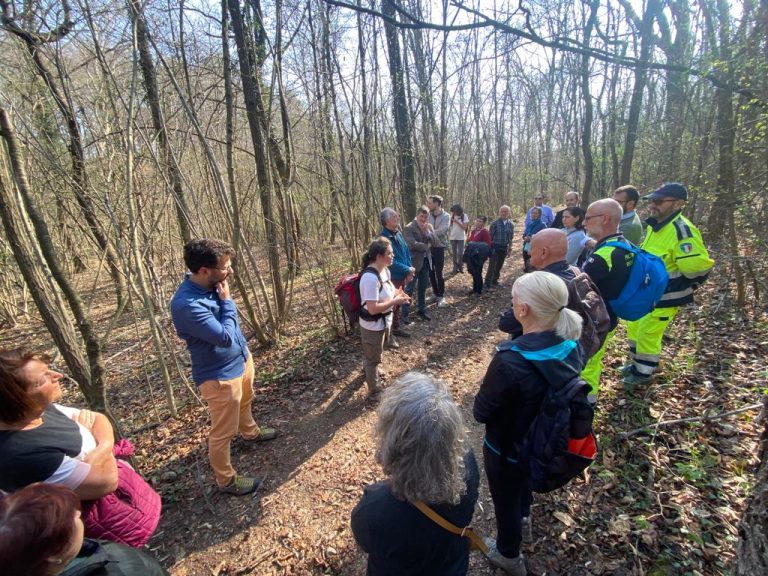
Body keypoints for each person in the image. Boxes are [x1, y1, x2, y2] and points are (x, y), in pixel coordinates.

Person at [474, 272, 583, 576]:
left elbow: (481, 412)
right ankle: (524, 518)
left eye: (513, 300)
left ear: (523, 311)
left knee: (504, 498)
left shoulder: (510, 360)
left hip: (506, 449)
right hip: (544, 442)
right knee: (521, 488)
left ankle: (509, 553)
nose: (511, 305)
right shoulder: (572, 343)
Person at [0, 349, 161, 547]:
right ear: (16, 400)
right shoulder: (20, 455)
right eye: (42, 380)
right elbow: (106, 481)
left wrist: (101, 449)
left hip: (128, 513)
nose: (58, 376)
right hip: (105, 537)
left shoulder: (40, 410)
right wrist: (95, 439)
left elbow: (98, 418)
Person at [171, 238, 277, 496]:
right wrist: (228, 302)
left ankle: (250, 432)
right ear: (204, 271)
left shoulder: (212, 285)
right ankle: (226, 480)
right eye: (225, 267)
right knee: (223, 431)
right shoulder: (187, 305)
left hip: (240, 359)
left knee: (246, 400)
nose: (230, 272)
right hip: (219, 377)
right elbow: (223, 337)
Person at [351, 372, 479, 576]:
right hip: (453, 566)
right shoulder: (468, 463)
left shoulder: (376, 508)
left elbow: (365, 542)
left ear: (396, 440)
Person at [622, 183, 714, 389]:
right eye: (652, 201)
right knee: (636, 328)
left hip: (666, 296)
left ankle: (643, 374)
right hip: (647, 294)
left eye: (659, 201)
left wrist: (681, 287)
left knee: (648, 333)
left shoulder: (682, 231)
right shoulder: (657, 225)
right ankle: (637, 364)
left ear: (679, 204)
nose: (653, 205)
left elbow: (697, 267)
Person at [0, 483, 168, 576]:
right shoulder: (118, 571)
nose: (78, 512)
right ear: (52, 553)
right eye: (70, 519)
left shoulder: (77, 550)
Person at [580, 199, 632, 397]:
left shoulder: (603, 256)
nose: (584, 223)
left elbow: (578, 290)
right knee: (592, 363)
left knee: (586, 368)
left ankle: (583, 409)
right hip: (609, 317)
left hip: (595, 323)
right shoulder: (623, 244)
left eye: (588, 218)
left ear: (605, 219)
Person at [358, 238, 411, 393]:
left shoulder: (385, 270)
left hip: (384, 322)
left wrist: (398, 294)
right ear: (379, 256)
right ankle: (374, 391)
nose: (393, 256)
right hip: (372, 325)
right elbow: (373, 309)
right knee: (372, 359)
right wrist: (395, 301)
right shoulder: (370, 278)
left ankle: (367, 371)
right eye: (390, 253)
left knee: (375, 352)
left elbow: (388, 292)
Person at [379, 208, 415, 343]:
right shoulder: (383, 239)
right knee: (390, 305)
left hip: (402, 275)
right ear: (387, 220)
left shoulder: (398, 233)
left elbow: (406, 251)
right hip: (390, 276)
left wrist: (409, 271)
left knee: (398, 304)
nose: (397, 217)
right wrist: (408, 269)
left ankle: (395, 327)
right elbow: (390, 262)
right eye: (394, 216)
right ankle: (388, 335)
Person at [403, 207, 434, 322]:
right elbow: (412, 244)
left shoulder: (428, 227)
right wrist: (426, 247)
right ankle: (405, 314)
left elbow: (435, 242)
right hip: (413, 262)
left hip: (426, 261)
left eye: (426, 217)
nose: (424, 219)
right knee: (409, 288)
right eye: (422, 216)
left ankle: (422, 309)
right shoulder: (409, 227)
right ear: (417, 215)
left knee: (423, 287)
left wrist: (428, 232)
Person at [427, 195, 451, 307]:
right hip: (428, 247)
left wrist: (430, 232)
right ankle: (435, 293)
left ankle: (441, 296)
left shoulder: (446, 216)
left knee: (439, 272)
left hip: (439, 247)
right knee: (430, 272)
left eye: (431, 203)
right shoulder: (428, 215)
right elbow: (423, 226)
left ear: (437, 203)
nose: (429, 205)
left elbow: (443, 230)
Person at [485, 205, 515, 290]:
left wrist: (509, 249)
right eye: (502, 211)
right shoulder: (494, 224)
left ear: (508, 213)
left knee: (499, 265)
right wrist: (489, 249)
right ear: (499, 212)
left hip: (504, 247)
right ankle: (487, 283)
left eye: (506, 211)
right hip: (495, 246)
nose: (504, 213)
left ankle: (495, 281)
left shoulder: (511, 224)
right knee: (492, 265)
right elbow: (490, 237)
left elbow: (510, 238)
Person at [465, 216, 492, 296]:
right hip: (472, 255)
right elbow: (470, 240)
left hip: (479, 256)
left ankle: (479, 290)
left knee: (478, 272)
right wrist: (468, 242)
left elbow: (488, 244)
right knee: (473, 272)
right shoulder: (473, 231)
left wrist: (483, 255)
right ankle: (474, 288)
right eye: (477, 221)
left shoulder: (485, 232)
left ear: (483, 223)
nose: (478, 222)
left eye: (480, 221)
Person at [521, 207, 546, 272]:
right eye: (532, 213)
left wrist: (532, 238)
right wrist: (524, 237)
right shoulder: (529, 223)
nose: (533, 214)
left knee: (534, 267)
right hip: (526, 247)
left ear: (539, 215)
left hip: (535, 249)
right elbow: (524, 234)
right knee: (527, 264)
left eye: (535, 213)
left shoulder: (542, 225)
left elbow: (544, 238)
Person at [448, 204, 469, 273]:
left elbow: (464, 227)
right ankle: (455, 267)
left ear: (459, 211)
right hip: (452, 237)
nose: (454, 213)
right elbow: (449, 227)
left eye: (455, 211)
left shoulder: (464, 216)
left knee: (460, 253)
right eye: (453, 211)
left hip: (461, 237)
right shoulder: (451, 216)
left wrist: (457, 222)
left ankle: (460, 266)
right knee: (454, 253)